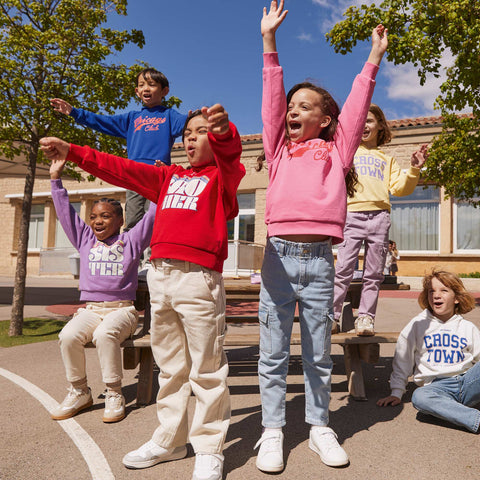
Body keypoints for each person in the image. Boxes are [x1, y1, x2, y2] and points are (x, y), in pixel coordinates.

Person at [40, 103, 245, 480]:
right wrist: (74, 152)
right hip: (161, 278)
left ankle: (209, 447)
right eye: (187, 134)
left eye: (201, 132)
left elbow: (232, 156)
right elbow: (122, 167)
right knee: (171, 369)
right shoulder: (167, 177)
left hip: (198, 279)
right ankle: (170, 439)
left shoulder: (223, 177)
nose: (191, 138)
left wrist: (224, 132)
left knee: (207, 370)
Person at [254, 0, 387, 472]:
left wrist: (372, 60)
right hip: (278, 259)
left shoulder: (338, 151)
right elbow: (271, 100)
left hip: (319, 261)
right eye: (292, 106)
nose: (293, 111)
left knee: (317, 354)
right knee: (272, 354)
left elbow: (354, 109)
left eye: (304, 106)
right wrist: (269, 42)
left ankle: (318, 427)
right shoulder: (277, 149)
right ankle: (271, 431)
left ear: (325, 119)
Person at [49, 158, 155, 423]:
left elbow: (153, 216)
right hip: (92, 309)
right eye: (94, 216)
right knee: (69, 335)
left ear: (120, 220)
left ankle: (114, 392)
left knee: (105, 335)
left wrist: (157, 182)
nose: (98, 221)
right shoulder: (84, 239)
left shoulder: (130, 241)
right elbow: (65, 213)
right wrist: (55, 180)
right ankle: (79, 391)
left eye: (106, 216)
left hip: (123, 311)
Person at [50, 68, 187, 232]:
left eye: (151, 84)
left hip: (158, 174)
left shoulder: (169, 115)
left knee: (156, 220)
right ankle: (132, 257)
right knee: (133, 221)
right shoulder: (132, 119)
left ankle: (155, 258)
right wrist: (74, 112)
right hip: (133, 175)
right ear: (137, 91)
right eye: (141, 85)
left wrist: (197, 118)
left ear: (164, 91)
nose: (146, 88)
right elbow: (102, 121)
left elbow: (190, 125)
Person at [333, 104, 428, 336]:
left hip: (380, 218)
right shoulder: (346, 152)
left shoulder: (387, 160)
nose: (364, 125)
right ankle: (332, 316)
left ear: (379, 126)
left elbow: (400, 188)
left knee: (374, 273)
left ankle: (366, 318)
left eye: (370, 120)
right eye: (360, 120)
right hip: (352, 216)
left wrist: (414, 170)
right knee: (343, 268)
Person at [377, 270, 480, 433]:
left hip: (466, 383)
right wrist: (396, 392)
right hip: (435, 387)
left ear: (457, 298)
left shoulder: (468, 327)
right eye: (431, 291)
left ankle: (452, 410)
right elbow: (402, 360)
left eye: (444, 291)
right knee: (419, 397)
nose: (436, 295)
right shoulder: (417, 325)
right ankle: (474, 419)